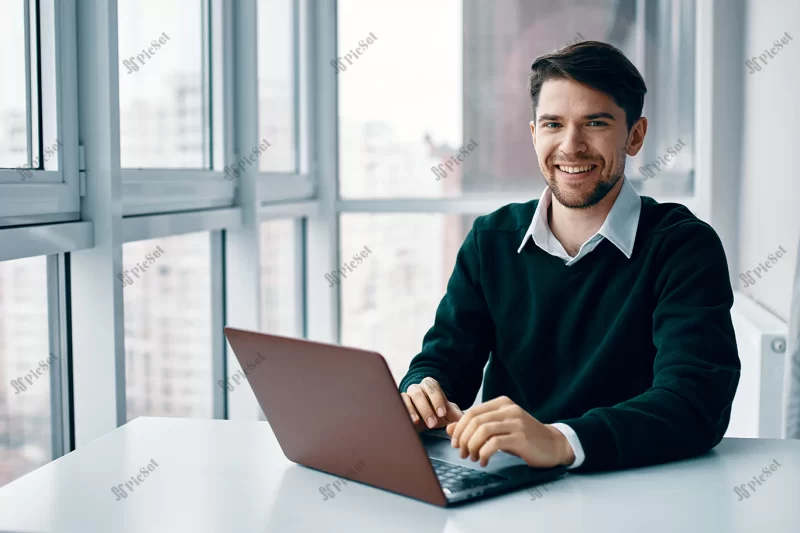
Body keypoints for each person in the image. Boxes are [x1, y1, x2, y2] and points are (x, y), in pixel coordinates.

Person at [399, 41, 741, 472]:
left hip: (639, 488)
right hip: (507, 485)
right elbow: (443, 362)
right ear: (534, 134)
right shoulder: (491, 240)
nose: (571, 145)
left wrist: (560, 440)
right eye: (553, 124)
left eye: (595, 122)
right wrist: (422, 391)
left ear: (635, 136)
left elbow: (695, 404)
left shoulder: (683, 247)